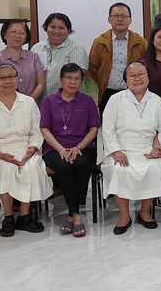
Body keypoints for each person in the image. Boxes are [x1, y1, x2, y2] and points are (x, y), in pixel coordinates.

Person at [0, 63, 51, 237]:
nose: (6, 81)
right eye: (1, 78)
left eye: (10, 77)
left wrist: (30, 151)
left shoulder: (29, 102)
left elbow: (37, 131)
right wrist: (0, 154)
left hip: (26, 148)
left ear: (18, 79)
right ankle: (8, 217)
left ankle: (24, 216)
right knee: (6, 168)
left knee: (30, 167)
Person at [101, 62, 161, 235]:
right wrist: (116, 151)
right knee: (119, 169)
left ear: (148, 78)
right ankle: (124, 216)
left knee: (154, 167)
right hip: (121, 148)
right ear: (126, 80)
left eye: (141, 74)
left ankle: (145, 212)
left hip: (147, 148)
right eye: (132, 76)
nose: (137, 78)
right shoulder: (115, 99)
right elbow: (107, 128)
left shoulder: (158, 101)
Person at [39, 63, 100, 238]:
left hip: (83, 147)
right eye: (69, 78)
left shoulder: (87, 101)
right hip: (54, 148)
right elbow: (44, 129)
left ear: (81, 82)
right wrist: (60, 149)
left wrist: (78, 147)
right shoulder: (49, 101)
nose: (73, 82)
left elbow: (94, 129)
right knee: (64, 166)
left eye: (77, 79)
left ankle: (71, 214)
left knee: (81, 164)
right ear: (61, 79)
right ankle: (76, 215)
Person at [88, 2, 148, 111]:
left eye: (124, 16)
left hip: (133, 93)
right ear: (109, 19)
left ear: (130, 20)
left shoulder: (140, 42)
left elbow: (147, 68)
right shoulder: (99, 42)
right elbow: (93, 68)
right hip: (107, 93)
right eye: (115, 16)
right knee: (108, 126)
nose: (120, 19)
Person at [31, 13, 89, 98]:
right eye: (53, 27)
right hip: (41, 102)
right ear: (46, 28)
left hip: (68, 102)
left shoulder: (77, 49)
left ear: (68, 31)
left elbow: (76, 80)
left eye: (61, 28)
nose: (56, 31)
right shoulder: (36, 48)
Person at [0, 20, 46, 100]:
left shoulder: (33, 56)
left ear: (26, 36)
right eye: (13, 32)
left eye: (21, 33)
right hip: (6, 106)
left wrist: (28, 102)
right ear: (5, 35)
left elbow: (41, 84)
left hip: (31, 105)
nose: (17, 36)